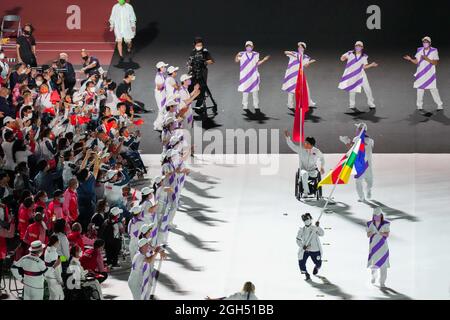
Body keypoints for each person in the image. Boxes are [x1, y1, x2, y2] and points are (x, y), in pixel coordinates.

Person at [403, 36, 444, 111]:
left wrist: (427, 59)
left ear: (430, 43)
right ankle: (419, 106)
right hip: (421, 73)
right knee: (420, 90)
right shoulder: (419, 50)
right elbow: (416, 62)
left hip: (430, 74)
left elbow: (435, 63)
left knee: (433, 90)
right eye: (424, 42)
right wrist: (410, 59)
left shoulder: (434, 50)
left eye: (426, 42)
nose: (425, 43)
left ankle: (439, 104)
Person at [284, 130, 325, 197]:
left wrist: (322, 167)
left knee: (313, 175)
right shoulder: (301, 149)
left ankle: (314, 189)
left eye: (307, 143)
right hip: (303, 170)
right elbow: (292, 146)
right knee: (305, 174)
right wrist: (288, 138)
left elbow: (322, 158)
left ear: (311, 145)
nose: (305, 144)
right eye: (305, 142)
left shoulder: (316, 151)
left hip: (313, 170)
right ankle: (306, 192)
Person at [339, 122, 374, 201]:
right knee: (362, 182)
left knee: (367, 183)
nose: (356, 130)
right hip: (363, 165)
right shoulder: (361, 139)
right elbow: (354, 148)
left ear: (361, 130)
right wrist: (347, 142)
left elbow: (360, 146)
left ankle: (367, 191)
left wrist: (347, 142)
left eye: (357, 128)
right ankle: (362, 197)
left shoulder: (367, 140)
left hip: (365, 165)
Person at [338, 41, 378, 110]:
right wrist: (343, 57)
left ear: (362, 47)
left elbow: (364, 67)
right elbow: (342, 58)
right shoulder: (350, 53)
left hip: (361, 74)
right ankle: (352, 104)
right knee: (352, 90)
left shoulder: (364, 56)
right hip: (352, 75)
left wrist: (371, 65)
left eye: (359, 46)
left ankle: (370, 102)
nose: (358, 47)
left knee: (367, 88)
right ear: (355, 46)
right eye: (357, 45)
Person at [235, 41, 270, 111]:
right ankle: (245, 105)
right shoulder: (242, 54)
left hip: (253, 75)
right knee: (245, 91)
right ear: (245, 47)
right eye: (247, 46)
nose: (248, 48)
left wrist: (264, 60)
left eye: (250, 46)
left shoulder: (256, 54)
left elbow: (257, 64)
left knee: (255, 91)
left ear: (252, 47)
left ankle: (256, 104)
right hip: (245, 76)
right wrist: (237, 55)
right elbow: (236, 60)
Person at [282, 42, 317, 110]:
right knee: (291, 89)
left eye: (301, 47)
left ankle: (308, 103)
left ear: (304, 49)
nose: (299, 48)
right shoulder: (294, 53)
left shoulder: (306, 57)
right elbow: (285, 52)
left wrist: (310, 62)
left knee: (305, 88)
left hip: (300, 74)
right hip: (292, 74)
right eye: (298, 47)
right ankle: (290, 105)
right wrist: (292, 53)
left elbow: (305, 65)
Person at [187, 37, 216, 111]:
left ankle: (199, 104)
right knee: (191, 86)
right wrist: (189, 67)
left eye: (201, 45)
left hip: (202, 72)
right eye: (198, 45)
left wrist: (205, 62)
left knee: (202, 87)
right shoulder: (192, 52)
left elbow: (212, 61)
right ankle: (188, 101)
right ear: (194, 45)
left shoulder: (205, 52)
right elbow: (189, 62)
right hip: (193, 72)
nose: (200, 46)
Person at [366, 207, 390, 287]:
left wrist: (380, 233)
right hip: (374, 246)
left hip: (383, 246)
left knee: (383, 265)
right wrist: (372, 232)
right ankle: (373, 277)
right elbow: (368, 235)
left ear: (381, 215)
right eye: (375, 216)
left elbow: (387, 235)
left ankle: (382, 282)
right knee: (374, 264)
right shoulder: (370, 224)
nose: (376, 217)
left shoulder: (386, 223)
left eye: (378, 216)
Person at [296, 213, 324, 280]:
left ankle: (316, 267)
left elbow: (322, 234)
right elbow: (298, 240)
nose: (306, 221)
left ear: (310, 219)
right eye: (304, 219)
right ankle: (306, 274)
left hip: (315, 250)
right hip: (306, 250)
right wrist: (302, 246)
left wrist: (318, 227)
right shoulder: (301, 230)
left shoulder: (314, 228)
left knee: (318, 263)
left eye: (307, 219)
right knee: (301, 262)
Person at [44, 235, 64, 300]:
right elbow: (56, 268)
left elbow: (56, 259)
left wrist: (64, 258)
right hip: (53, 278)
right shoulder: (54, 253)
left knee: (53, 296)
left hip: (48, 275)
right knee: (59, 296)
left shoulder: (47, 249)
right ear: (56, 242)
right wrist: (60, 280)